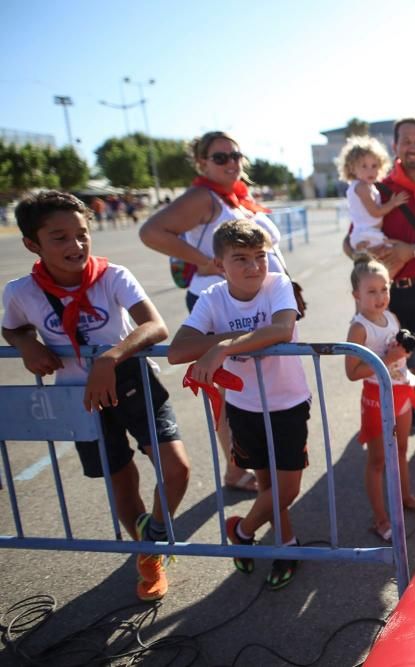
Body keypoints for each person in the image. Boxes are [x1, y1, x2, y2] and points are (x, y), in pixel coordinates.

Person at [3, 191, 190, 602]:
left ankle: (154, 534)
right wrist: (26, 344)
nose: (76, 245)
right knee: (122, 480)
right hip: (79, 397)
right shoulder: (20, 292)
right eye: (60, 238)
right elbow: (13, 328)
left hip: (131, 379)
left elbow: (155, 326)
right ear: (32, 244)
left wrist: (112, 356)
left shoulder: (112, 276)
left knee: (176, 469)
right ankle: (148, 559)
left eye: (82, 234)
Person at [140, 130, 293, 494]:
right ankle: (236, 468)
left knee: (248, 387)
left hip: (254, 298)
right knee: (227, 392)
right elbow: (152, 231)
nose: (231, 163)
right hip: (219, 303)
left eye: (236, 155)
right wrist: (204, 261)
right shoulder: (203, 196)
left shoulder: (237, 197)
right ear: (202, 163)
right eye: (220, 157)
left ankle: (244, 464)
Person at [167, 219, 310, 590]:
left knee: (287, 488)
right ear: (219, 265)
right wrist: (226, 339)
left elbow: (281, 330)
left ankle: (243, 531)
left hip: (288, 403)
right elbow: (179, 350)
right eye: (241, 259)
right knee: (266, 484)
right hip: (245, 407)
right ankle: (287, 547)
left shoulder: (277, 284)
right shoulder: (213, 297)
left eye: (260, 256)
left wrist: (223, 346)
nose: (254, 267)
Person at [342, 118, 415, 467]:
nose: (412, 146)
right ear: (395, 147)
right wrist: (364, 257)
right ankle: (394, 441)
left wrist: (413, 251)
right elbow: (349, 242)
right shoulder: (377, 190)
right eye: (405, 140)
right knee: (390, 368)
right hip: (387, 299)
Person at [344, 256, 415, 541]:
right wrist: (388, 357)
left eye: (384, 289)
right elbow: (352, 371)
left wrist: (400, 349)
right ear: (356, 295)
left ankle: (406, 497)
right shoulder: (358, 327)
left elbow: (395, 354)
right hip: (376, 396)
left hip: (401, 391)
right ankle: (380, 519)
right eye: (371, 291)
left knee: (401, 451)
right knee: (377, 461)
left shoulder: (391, 317)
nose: (380, 296)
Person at [338, 136, 409, 256]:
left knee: (390, 255)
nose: (370, 171)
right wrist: (393, 203)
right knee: (400, 250)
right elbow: (375, 212)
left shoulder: (367, 186)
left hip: (368, 234)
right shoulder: (362, 187)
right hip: (366, 234)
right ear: (352, 168)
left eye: (374, 166)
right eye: (364, 166)